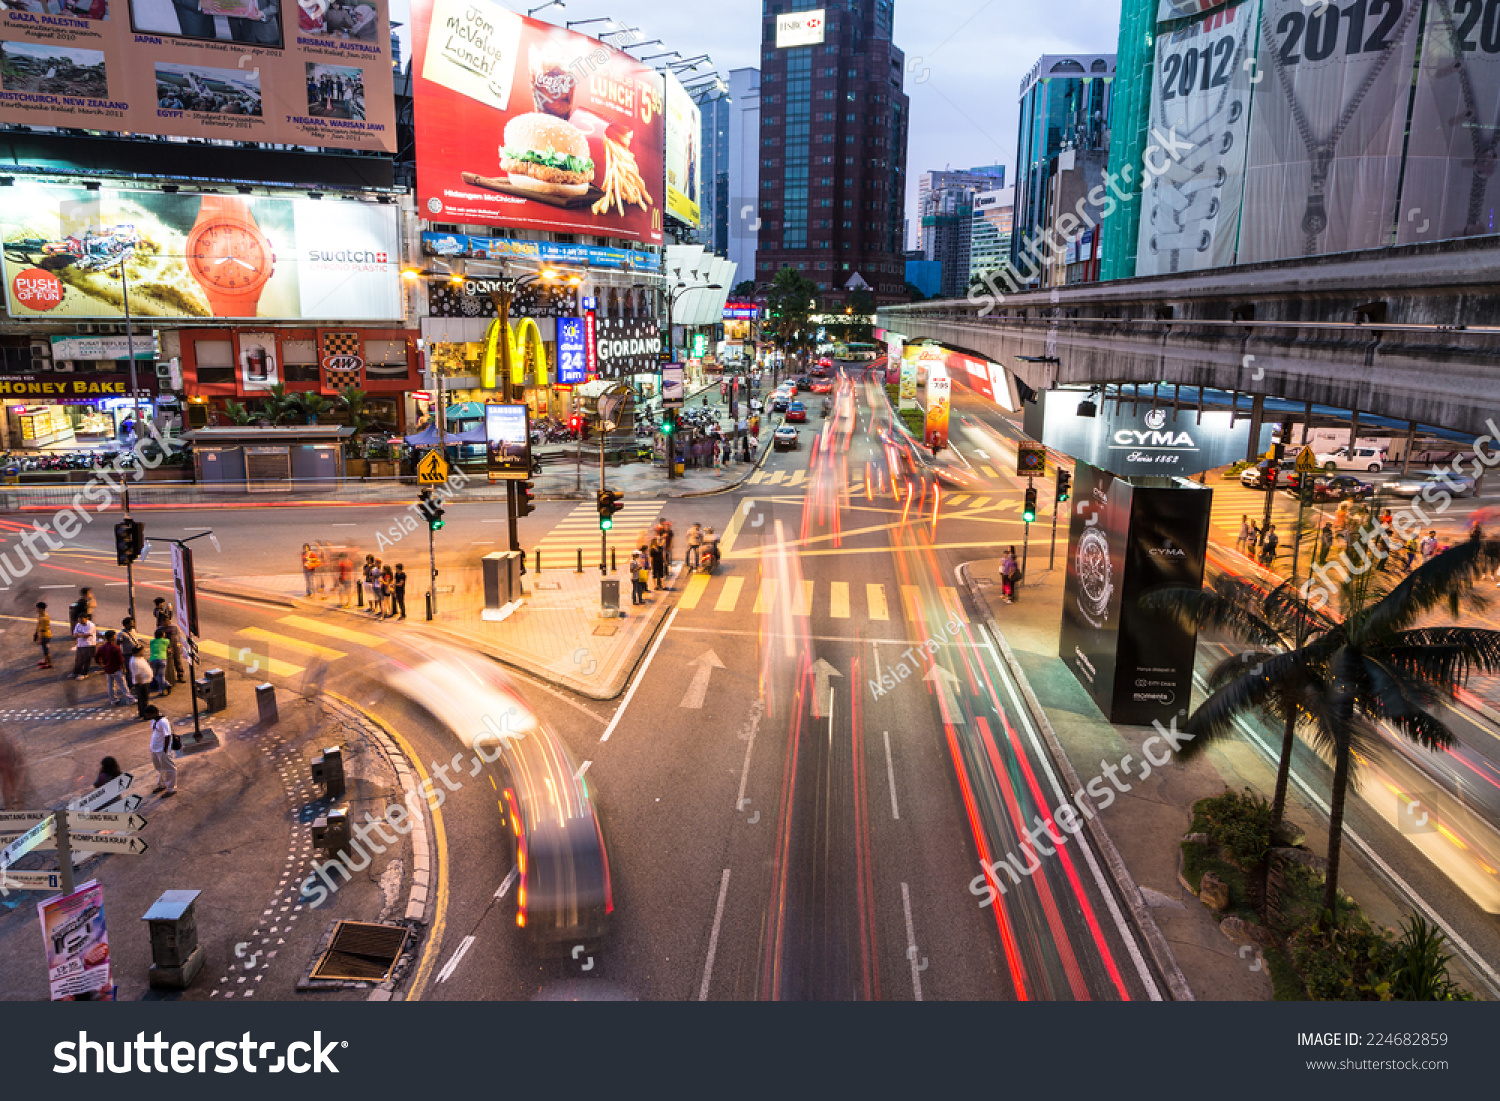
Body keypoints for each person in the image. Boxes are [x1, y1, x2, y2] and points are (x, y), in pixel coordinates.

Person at [146, 706, 177, 797]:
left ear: (154, 713)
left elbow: (167, 736)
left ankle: (171, 789)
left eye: (148, 714)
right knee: (160, 768)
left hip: (162, 750)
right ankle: (162, 785)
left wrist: (165, 750)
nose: (147, 716)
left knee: (169, 768)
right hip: (155, 749)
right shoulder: (153, 720)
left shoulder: (163, 722)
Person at [154, 598, 186, 684]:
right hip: (164, 647)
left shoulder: (174, 627)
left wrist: (179, 646)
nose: (166, 623)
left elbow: (179, 637)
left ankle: (180, 674)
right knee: (166, 663)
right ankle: (168, 677)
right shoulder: (159, 630)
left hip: (174, 646)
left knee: (177, 660)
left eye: (167, 621)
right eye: (164, 622)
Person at [96, 630, 127, 706]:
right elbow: (120, 659)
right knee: (123, 685)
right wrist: (124, 668)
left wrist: (101, 664)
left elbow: (96, 657)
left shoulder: (102, 647)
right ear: (112, 637)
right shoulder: (115, 648)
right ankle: (129, 698)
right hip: (116, 669)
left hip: (107, 669)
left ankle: (113, 700)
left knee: (111, 685)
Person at [129, 648, 155, 720]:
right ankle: (145, 715)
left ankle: (142, 713)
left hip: (145, 681)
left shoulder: (140, 658)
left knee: (143, 699)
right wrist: (141, 683)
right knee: (143, 699)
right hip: (142, 683)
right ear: (137, 652)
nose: (143, 651)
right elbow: (137, 674)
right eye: (142, 650)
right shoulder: (135, 661)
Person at [71, 611, 97, 678]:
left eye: (81, 619)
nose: (79, 620)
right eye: (79, 619)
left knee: (86, 660)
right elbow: (74, 635)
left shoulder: (91, 625)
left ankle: (84, 674)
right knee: (78, 660)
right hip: (80, 645)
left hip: (88, 645)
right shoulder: (78, 625)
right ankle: (76, 672)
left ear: (86, 618)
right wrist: (81, 635)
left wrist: (79, 634)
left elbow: (87, 635)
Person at [150, 628, 171, 696]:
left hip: (153, 659)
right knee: (161, 676)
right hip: (162, 659)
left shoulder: (152, 641)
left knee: (154, 675)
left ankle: (166, 684)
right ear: (162, 634)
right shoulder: (166, 641)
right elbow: (167, 649)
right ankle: (161, 690)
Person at [33, 601, 53, 669]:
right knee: (43, 649)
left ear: (41, 609)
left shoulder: (43, 618)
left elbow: (42, 630)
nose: (36, 609)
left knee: (46, 650)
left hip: (44, 636)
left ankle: (49, 663)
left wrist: (39, 639)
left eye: (37, 608)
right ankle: (45, 661)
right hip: (44, 634)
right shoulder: (42, 615)